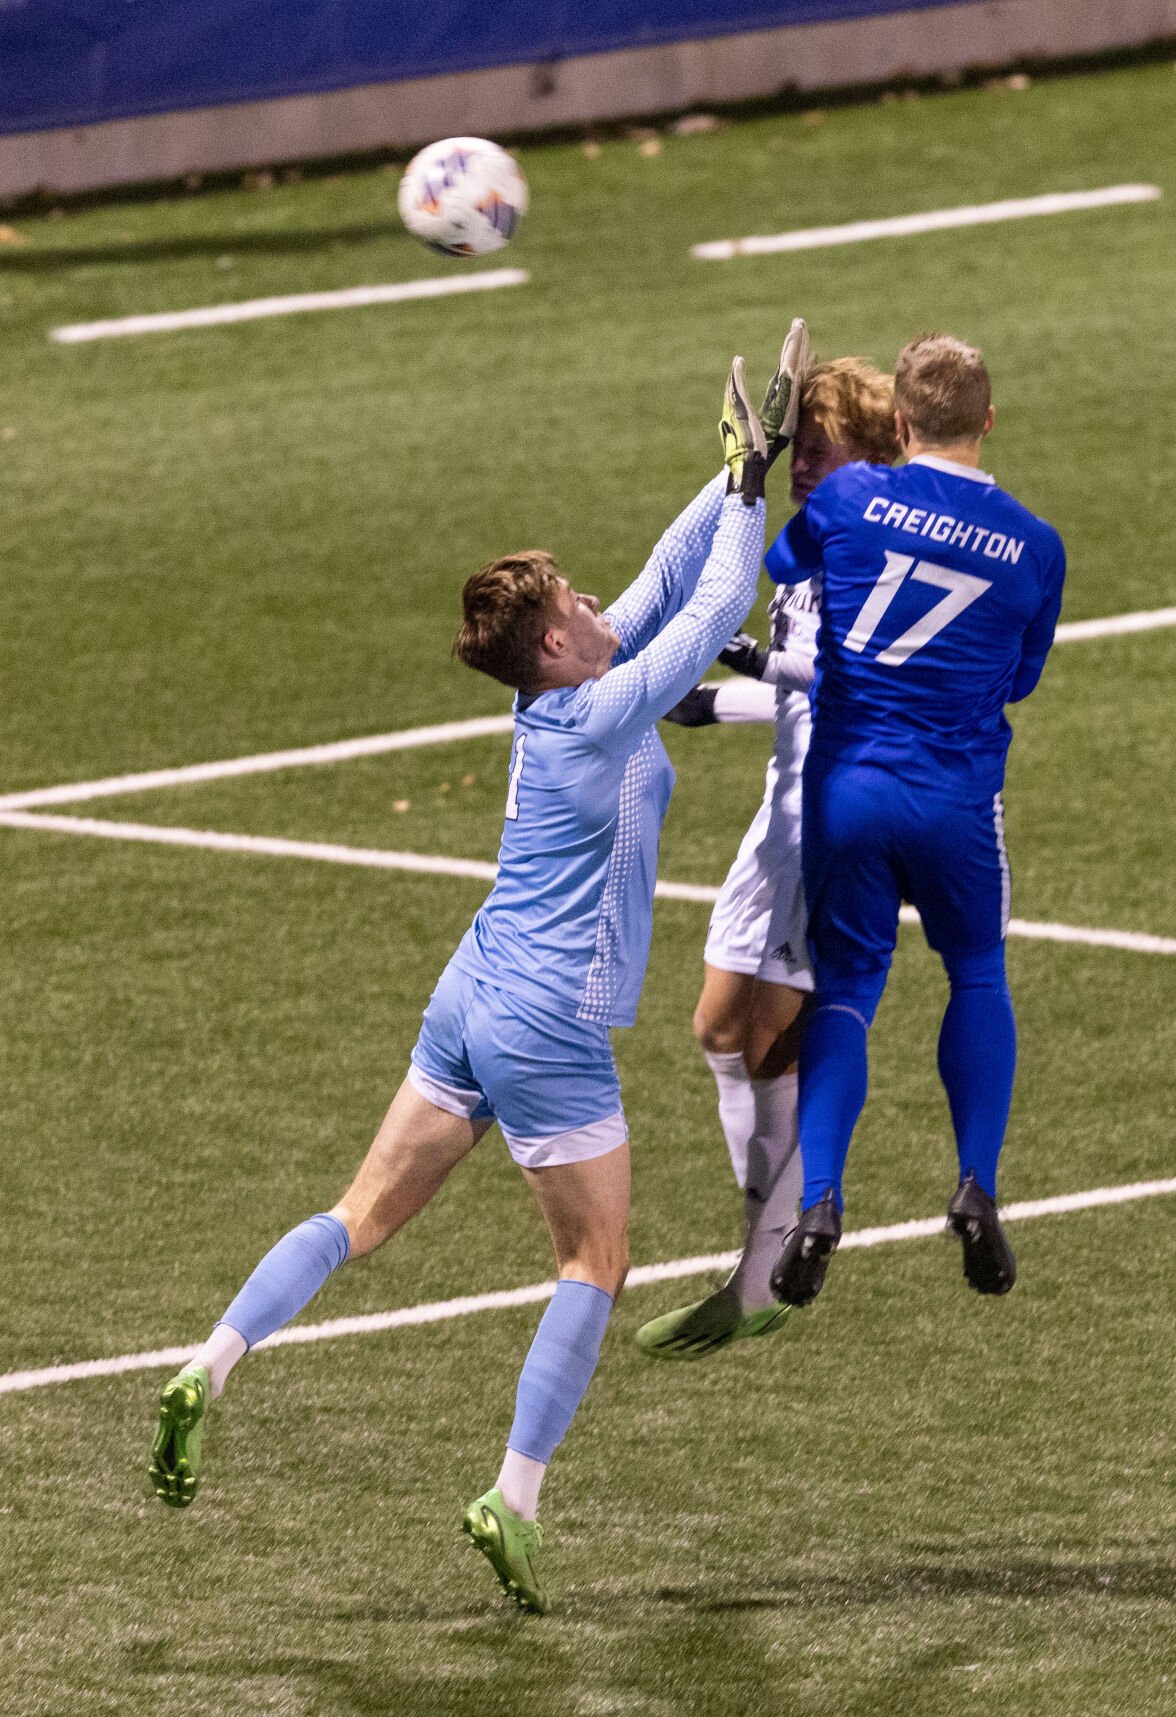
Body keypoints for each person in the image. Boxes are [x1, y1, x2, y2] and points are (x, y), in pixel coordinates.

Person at [146, 349, 794, 1616]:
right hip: (547, 1020)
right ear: (558, 639)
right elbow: (712, 609)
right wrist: (753, 494)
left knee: (360, 1215)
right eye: (576, 596)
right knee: (596, 1259)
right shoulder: (604, 709)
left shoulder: (558, 699)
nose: (601, 594)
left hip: (473, 987)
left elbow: (667, 579)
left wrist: (726, 473)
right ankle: (516, 1493)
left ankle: (209, 1363)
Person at [767, 333, 1066, 1310]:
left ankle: (818, 1201)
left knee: (848, 986)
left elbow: (782, 562)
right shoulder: (1035, 544)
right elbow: (1021, 675)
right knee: (976, 969)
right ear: (988, 420)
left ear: (898, 423)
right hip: (955, 799)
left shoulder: (850, 497)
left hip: (846, 787)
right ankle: (976, 1180)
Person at [637, 356, 899, 1359]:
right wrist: (719, 701)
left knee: (774, 1040)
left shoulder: (877, 551)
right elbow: (805, 690)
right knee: (715, 1029)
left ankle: (767, 1268)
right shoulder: (815, 539)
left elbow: (854, 685)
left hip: (831, 820)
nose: (805, 462)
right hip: (776, 813)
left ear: (871, 454)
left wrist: (739, 664)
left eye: (821, 446)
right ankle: (772, 1240)